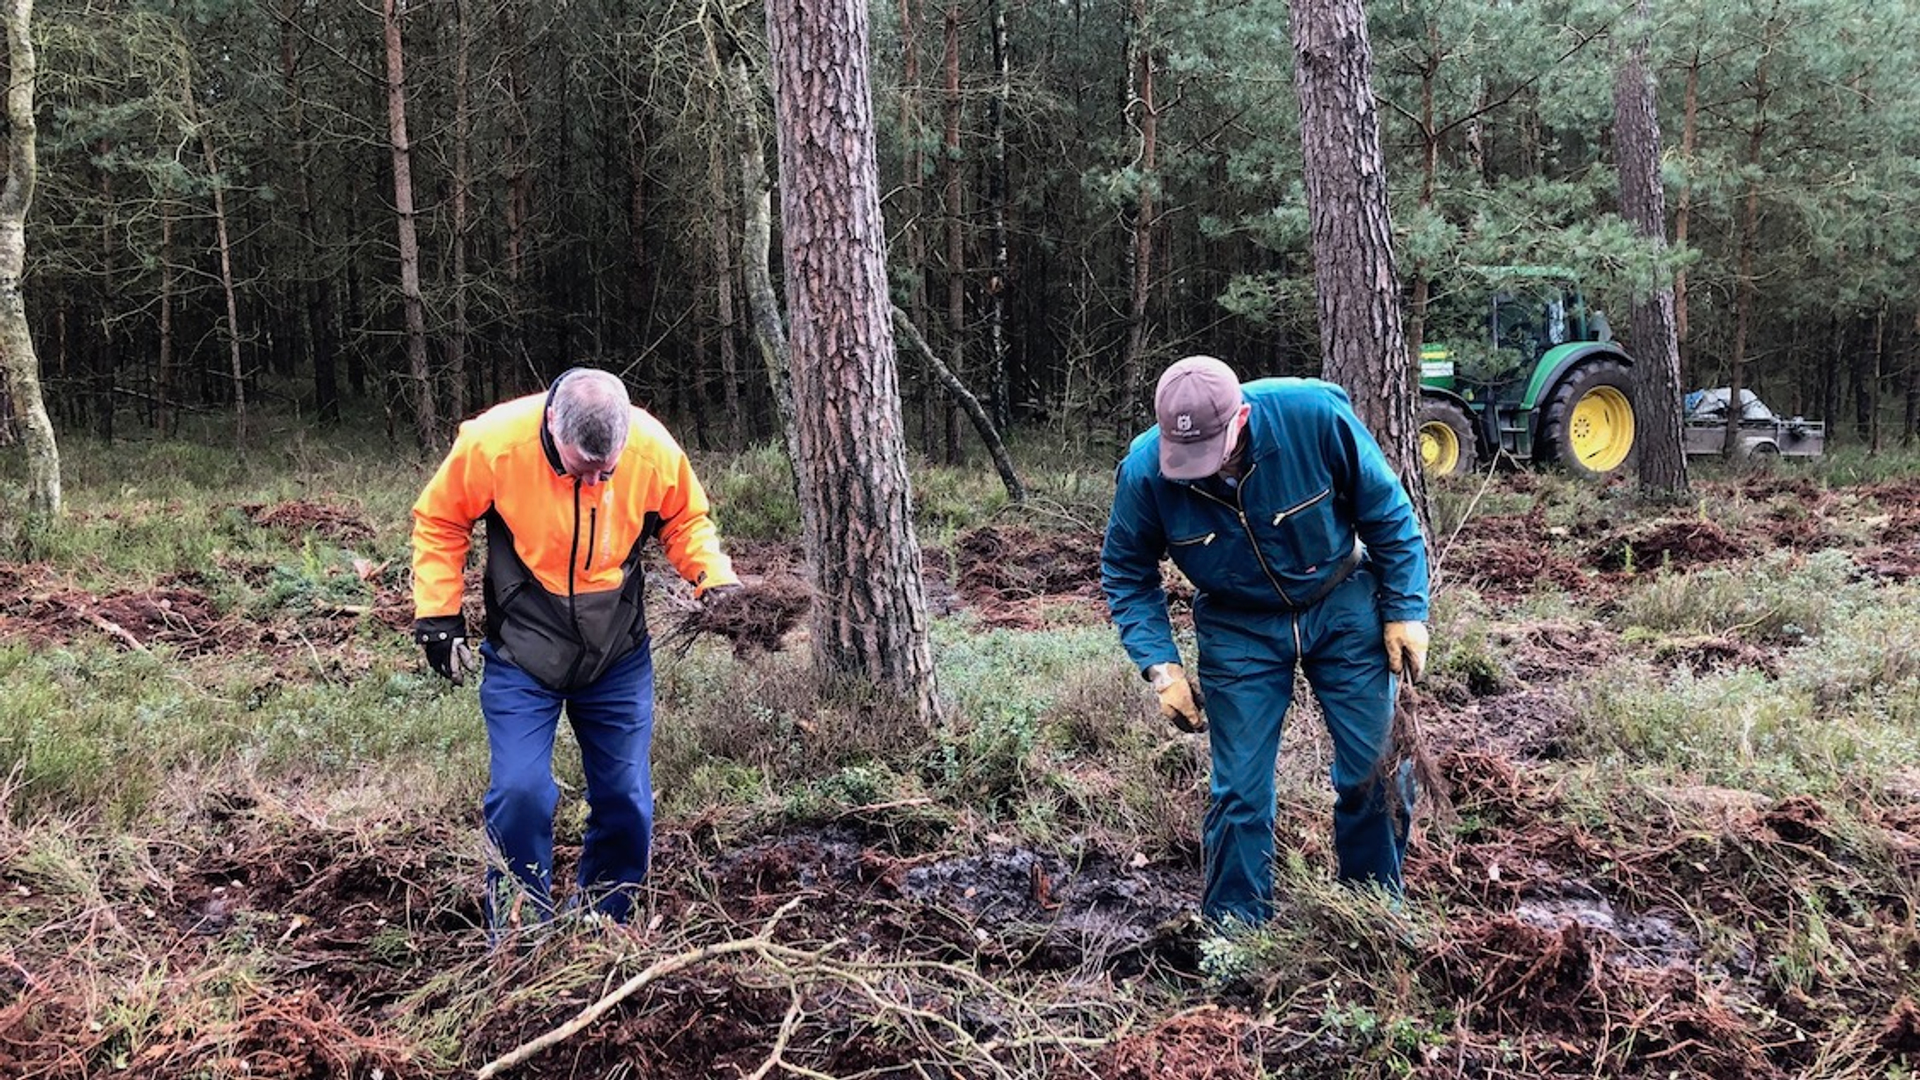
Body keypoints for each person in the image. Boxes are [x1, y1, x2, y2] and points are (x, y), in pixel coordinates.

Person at [1100, 355, 1430, 926]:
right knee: (1239, 790)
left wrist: (1405, 608)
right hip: (1238, 625)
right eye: (1187, 459)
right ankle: (1236, 929)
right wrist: (1160, 666)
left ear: (1243, 417)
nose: (1201, 470)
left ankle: (1373, 910)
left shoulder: (1313, 417)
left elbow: (1388, 512)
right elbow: (1127, 571)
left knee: (1373, 768)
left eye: (1213, 451)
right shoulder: (1145, 471)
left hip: (1340, 596)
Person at [411, 367, 740, 932]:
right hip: (523, 652)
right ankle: (520, 930)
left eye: (604, 473)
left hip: (616, 652)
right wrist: (438, 613)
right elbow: (441, 520)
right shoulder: (494, 444)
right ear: (552, 426)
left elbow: (686, 521)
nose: (594, 484)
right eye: (580, 469)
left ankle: (603, 920)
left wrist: (716, 581)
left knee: (627, 801)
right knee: (521, 794)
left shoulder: (650, 446)